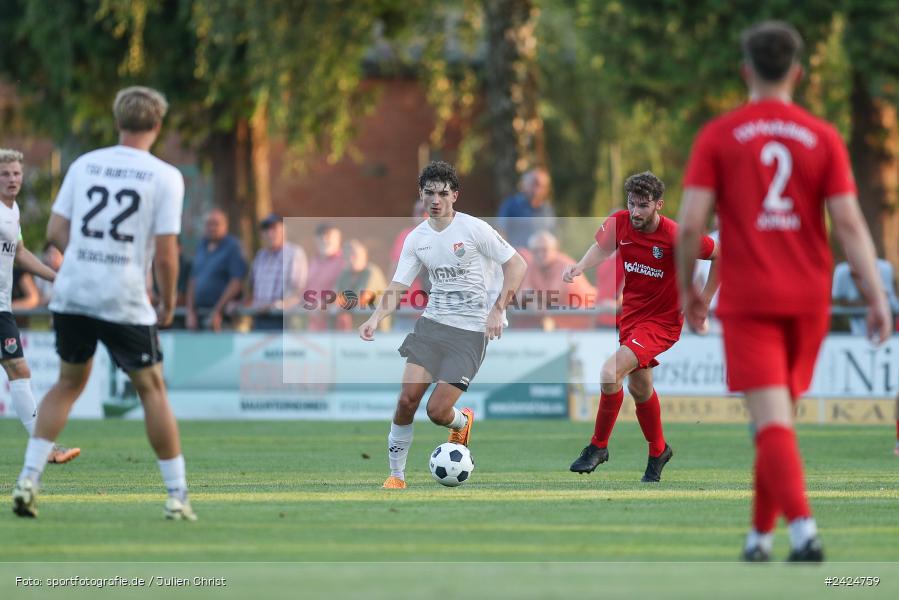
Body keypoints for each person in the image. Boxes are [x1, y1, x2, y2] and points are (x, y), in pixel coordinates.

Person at [676, 22, 891, 562]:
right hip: (809, 299)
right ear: (797, 72)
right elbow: (850, 225)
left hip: (751, 301)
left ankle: (804, 532)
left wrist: (691, 292)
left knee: (771, 423)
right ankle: (758, 537)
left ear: (746, 71)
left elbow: (688, 226)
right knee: (776, 423)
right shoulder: (822, 136)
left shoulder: (720, 136)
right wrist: (876, 297)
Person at [12, 86, 197, 521]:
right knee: (151, 390)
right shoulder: (166, 176)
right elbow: (168, 253)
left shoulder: (85, 164)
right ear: (157, 125)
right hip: (125, 296)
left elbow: (56, 231)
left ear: (118, 121)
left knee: (67, 384)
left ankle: (28, 479)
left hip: (74, 292)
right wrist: (167, 302)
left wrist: (86, 261)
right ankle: (176, 496)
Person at [358, 161, 527, 490]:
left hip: (470, 333)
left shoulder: (474, 229)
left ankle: (461, 421)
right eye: (429, 193)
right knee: (407, 400)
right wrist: (375, 317)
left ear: (455, 196)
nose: (435, 199)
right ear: (421, 195)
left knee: (437, 411)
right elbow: (398, 285)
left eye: (443, 193)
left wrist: (498, 309)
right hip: (432, 325)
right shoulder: (416, 238)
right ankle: (396, 475)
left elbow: (517, 265)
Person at [565, 171, 718, 483]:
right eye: (632, 204)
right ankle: (658, 450)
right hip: (631, 317)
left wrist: (704, 298)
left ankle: (598, 446)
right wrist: (581, 266)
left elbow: (720, 254)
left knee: (610, 373)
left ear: (659, 204)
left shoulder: (678, 235)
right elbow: (603, 247)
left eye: (643, 205)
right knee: (640, 388)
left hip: (661, 323)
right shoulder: (620, 222)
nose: (635, 212)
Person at [0, 149, 79, 464]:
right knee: (18, 368)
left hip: (2, 307)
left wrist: (57, 276)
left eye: (16, 173)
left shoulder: (13, 211)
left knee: (18, 369)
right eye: (5, 174)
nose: (12, 179)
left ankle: (44, 447)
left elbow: (20, 253)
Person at [517, 230, 596, 330]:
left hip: (585, 326)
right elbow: (520, 296)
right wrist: (531, 298)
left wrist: (530, 297)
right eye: (536, 251)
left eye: (544, 250)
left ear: (556, 250)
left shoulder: (565, 265)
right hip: (561, 329)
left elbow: (553, 297)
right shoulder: (533, 265)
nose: (540, 254)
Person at [185, 208, 247, 332]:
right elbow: (193, 279)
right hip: (199, 316)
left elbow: (236, 282)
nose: (212, 227)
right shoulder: (201, 245)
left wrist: (218, 310)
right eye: (209, 224)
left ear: (225, 226)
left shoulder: (233, 247)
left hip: (223, 318)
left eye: (216, 224)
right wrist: (190, 311)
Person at [249, 213, 307, 330]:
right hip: (259, 320)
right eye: (266, 230)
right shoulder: (260, 256)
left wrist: (274, 306)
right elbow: (252, 288)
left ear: (283, 230)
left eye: (274, 229)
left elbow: (299, 291)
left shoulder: (294, 253)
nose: (270, 233)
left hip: (284, 320)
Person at [831, 259, 899, 335]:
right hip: (850, 335)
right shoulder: (842, 271)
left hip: (886, 334)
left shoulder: (886, 268)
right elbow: (836, 303)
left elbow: (891, 301)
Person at [496, 168, 556, 249]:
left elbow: (553, 236)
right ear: (524, 184)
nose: (538, 189)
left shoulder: (547, 209)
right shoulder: (510, 205)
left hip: (542, 256)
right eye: (535, 184)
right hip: (518, 255)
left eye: (543, 186)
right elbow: (501, 234)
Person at [334, 239, 386, 331]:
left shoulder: (372, 272)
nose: (351, 259)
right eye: (347, 256)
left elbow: (362, 299)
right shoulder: (345, 273)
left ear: (364, 256)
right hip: (354, 331)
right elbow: (333, 297)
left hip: (376, 331)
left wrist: (339, 303)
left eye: (354, 255)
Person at [305, 223, 344, 330]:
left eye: (329, 236)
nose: (324, 240)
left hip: (338, 327)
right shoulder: (313, 261)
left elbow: (346, 289)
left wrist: (324, 304)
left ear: (338, 239)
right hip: (314, 326)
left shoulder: (345, 262)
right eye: (321, 236)